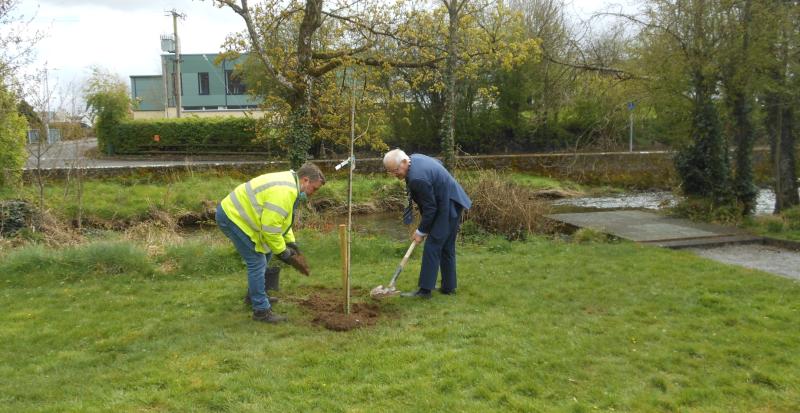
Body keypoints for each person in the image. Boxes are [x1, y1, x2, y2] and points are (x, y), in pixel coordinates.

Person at [216, 162, 325, 323]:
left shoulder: (291, 185)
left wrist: (291, 243)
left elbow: (282, 221)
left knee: (265, 253)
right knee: (257, 261)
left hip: (241, 216)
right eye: (314, 189)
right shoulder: (285, 192)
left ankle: (254, 296)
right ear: (305, 180)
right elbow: (271, 229)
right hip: (232, 217)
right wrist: (283, 252)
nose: (312, 193)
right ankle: (261, 311)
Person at [383, 149, 472, 298]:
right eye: (391, 171)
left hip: (447, 205)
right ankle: (448, 287)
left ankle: (425, 290)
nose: (394, 174)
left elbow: (430, 208)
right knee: (446, 246)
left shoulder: (417, 178)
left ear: (405, 162)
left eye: (396, 170)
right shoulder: (414, 159)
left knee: (433, 245)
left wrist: (421, 231)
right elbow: (438, 164)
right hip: (451, 200)